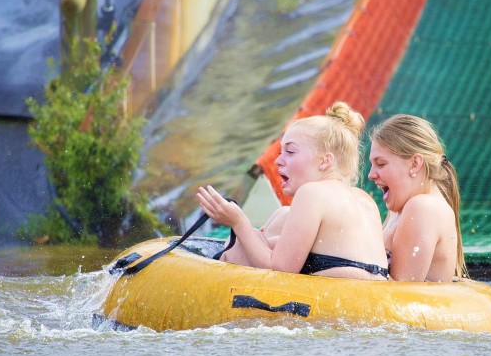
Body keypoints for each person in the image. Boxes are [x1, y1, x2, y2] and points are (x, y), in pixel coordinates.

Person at [197, 102, 389, 280]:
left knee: (239, 248)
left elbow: (281, 269)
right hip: (374, 299)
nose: (278, 160)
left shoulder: (311, 193)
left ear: (324, 161)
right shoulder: (364, 199)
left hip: (341, 305)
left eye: (290, 152)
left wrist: (238, 222)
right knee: (279, 220)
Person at [368, 114, 466, 281]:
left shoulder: (423, 208)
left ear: (415, 164)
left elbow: (402, 295)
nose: (371, 175)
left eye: (381, 164)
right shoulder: (401, 210)